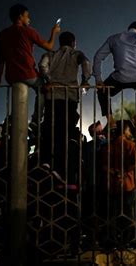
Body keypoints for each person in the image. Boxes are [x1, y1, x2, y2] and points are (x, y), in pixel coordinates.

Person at [0, 3, 60, 127]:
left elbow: (2, 59)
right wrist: (54, 32)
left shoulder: (3, 34)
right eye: (27, 16)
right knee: (44, 90)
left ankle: (12, 121)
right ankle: (36, 119)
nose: (29, 19)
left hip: (11, 76)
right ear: (20, 17)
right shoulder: (28, 31)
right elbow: (49, 46)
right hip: (28, 74)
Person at [38, 31, 91, 173]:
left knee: (50, 127)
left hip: (53, 95)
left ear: (60, 42)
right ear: (73, 43)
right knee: (65, 130)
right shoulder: (76, 54)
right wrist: (85, 80)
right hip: (70, 96)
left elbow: (42, 66)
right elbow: (86, 62)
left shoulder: (50, 54)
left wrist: (48, 80)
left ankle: (46, 162)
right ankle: (60, 167)